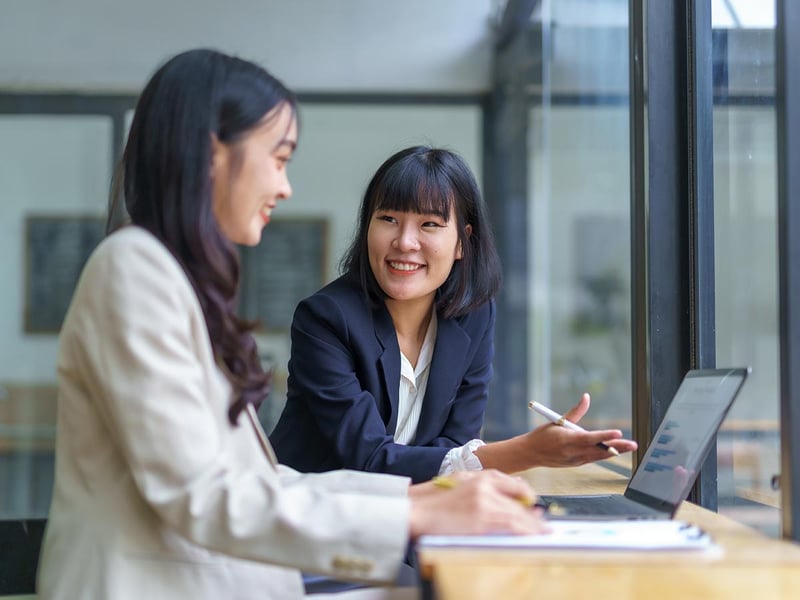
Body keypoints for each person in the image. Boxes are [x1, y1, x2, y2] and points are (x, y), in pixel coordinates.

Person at [35, 49, 547, 600]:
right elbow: (205, 497)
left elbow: (251, 480)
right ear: (214, 155)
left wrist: (418, 503)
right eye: (278, 159)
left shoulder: (169, 276)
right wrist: (412, 513)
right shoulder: (134, 273)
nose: (284, 187)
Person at [270, 146, 638, 484]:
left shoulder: (474, 315)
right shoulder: (325, 320)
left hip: (415, 518)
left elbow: (455, 443)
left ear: (462, 241)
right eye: (388, 219)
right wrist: (526, 452)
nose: (405, 242)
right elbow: (367, 459)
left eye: (429, 224)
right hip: (315, 527)